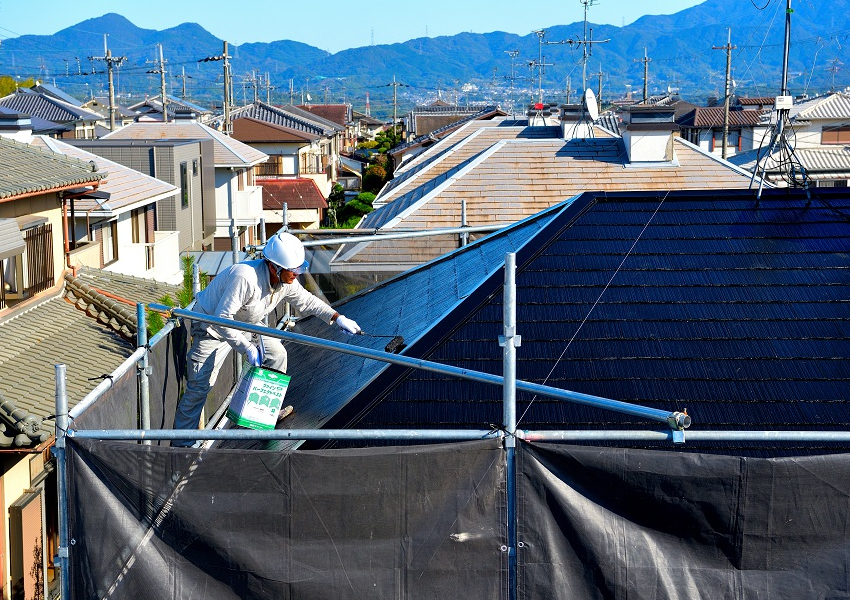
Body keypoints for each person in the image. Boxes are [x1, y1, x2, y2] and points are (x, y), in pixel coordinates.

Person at [172, 231, 360, 446]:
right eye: (293, 270)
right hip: (212, 328)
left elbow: (307, 301)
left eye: (299, 269)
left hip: (246, 323)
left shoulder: (285, 281)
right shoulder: (245, 278)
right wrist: (246, 348)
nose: (296, 274)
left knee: (277, 353)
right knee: (200, 387)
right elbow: (222, 318)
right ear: (274, 267)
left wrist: (337, 318)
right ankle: (181, 447)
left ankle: (261, 416)